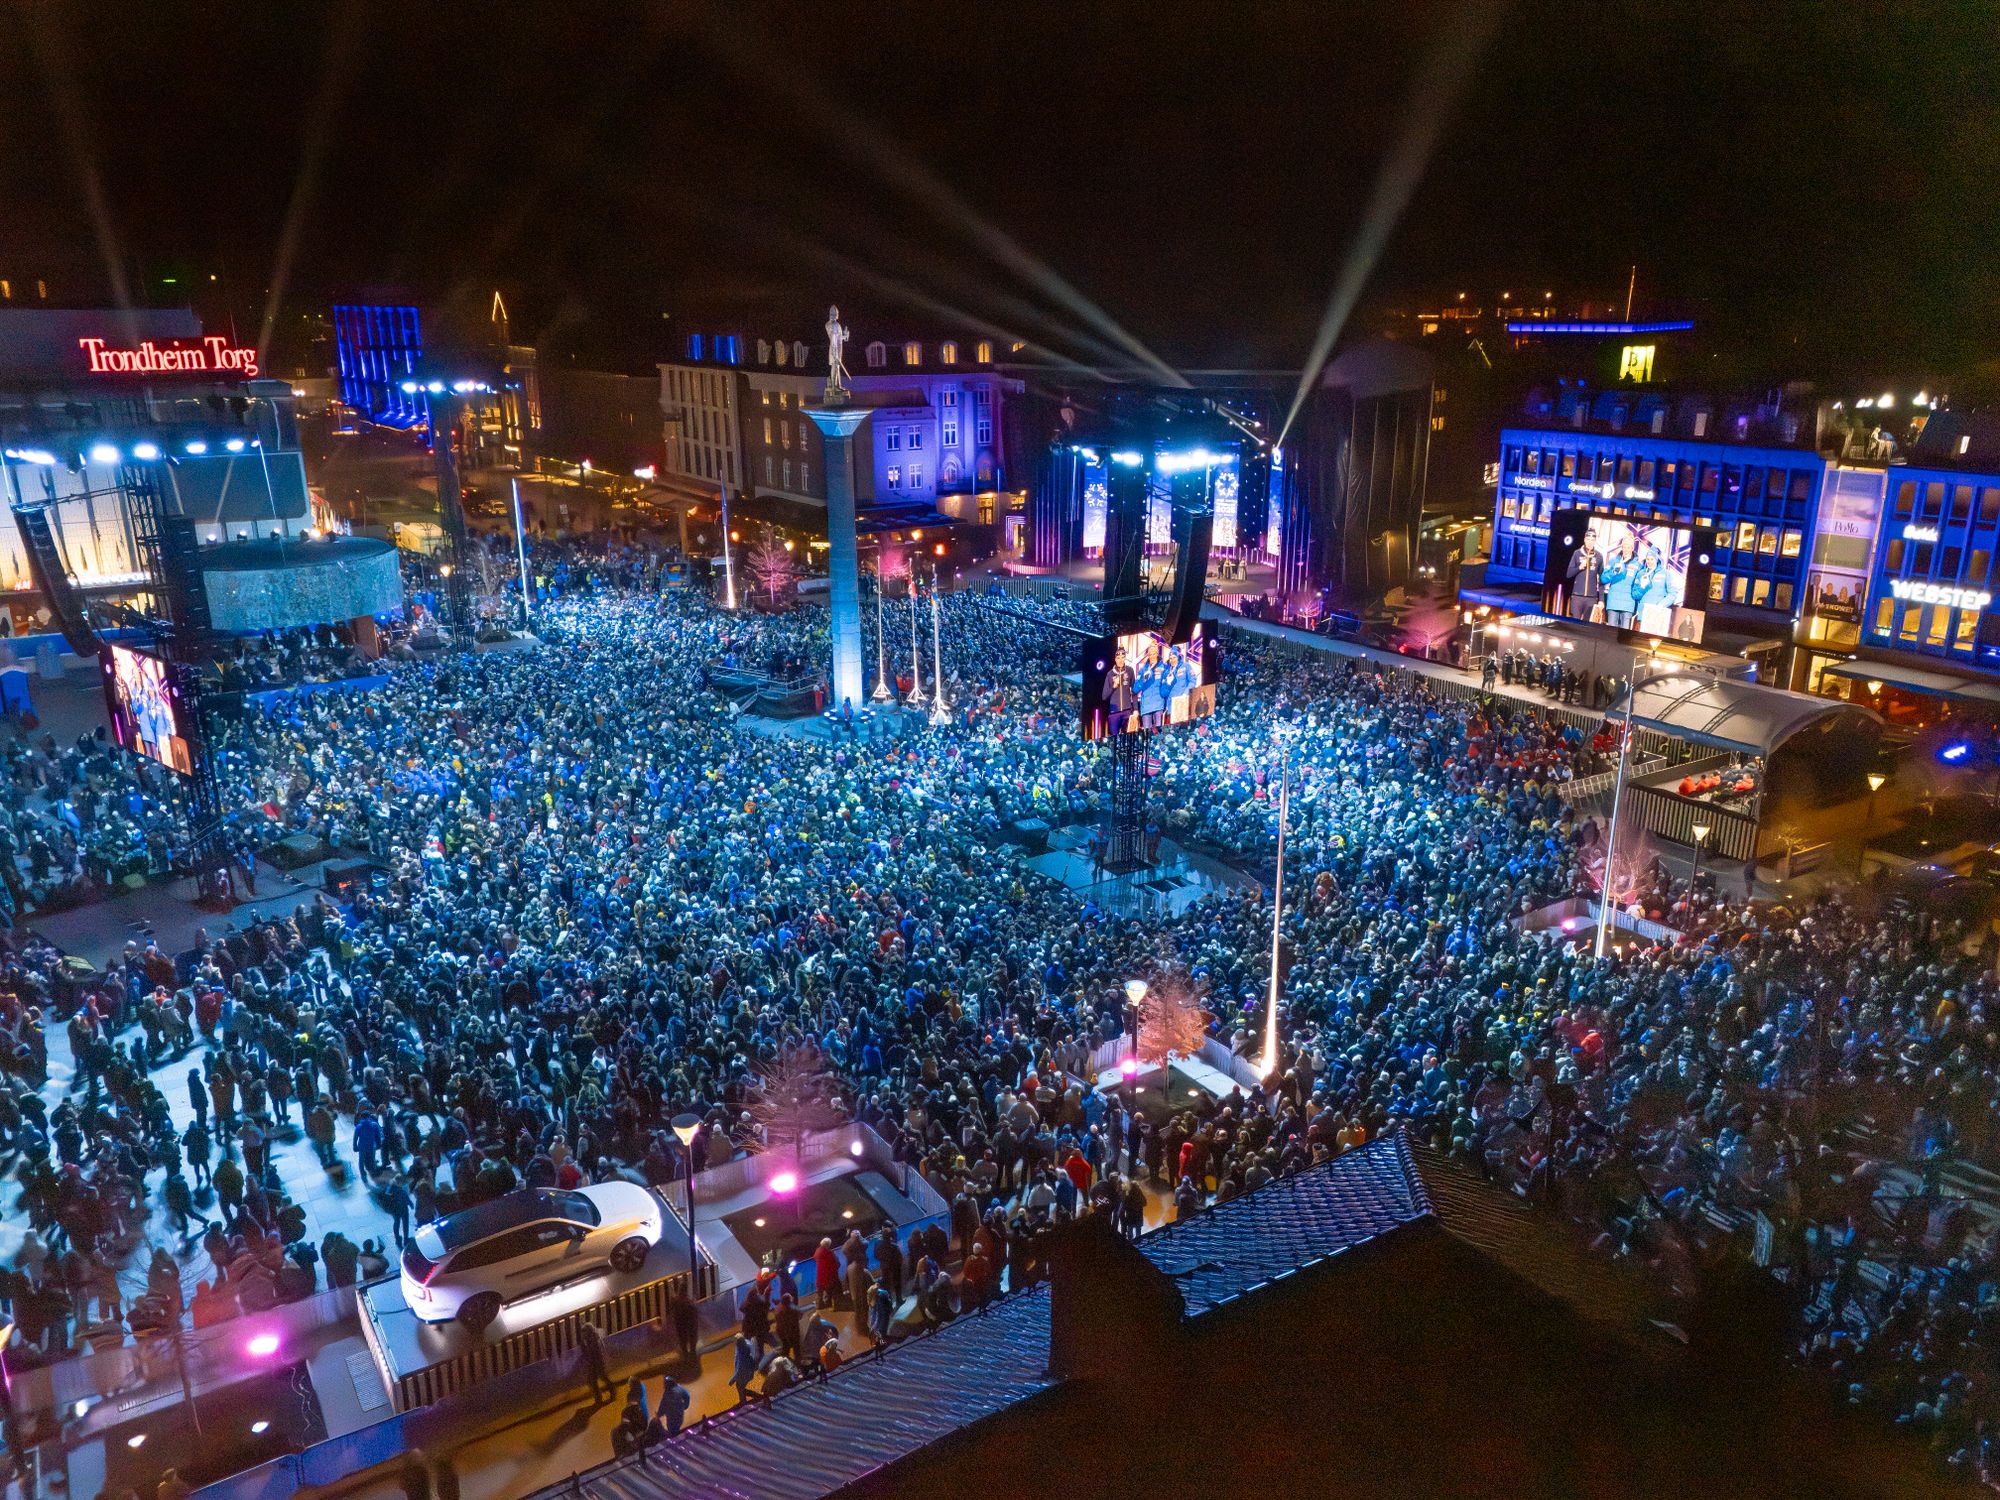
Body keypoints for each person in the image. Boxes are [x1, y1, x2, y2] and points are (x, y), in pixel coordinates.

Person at [578, 1320, 612, 1404]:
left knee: (595, 1380)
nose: (583, 1334)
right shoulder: (594, 1338)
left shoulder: (593, 1341)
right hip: (596, 1363)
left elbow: (590, 1353)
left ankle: (601, 1396)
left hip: (596, 1363)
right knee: (597, 1379)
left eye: (584, 1332)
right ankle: (607, 1394)